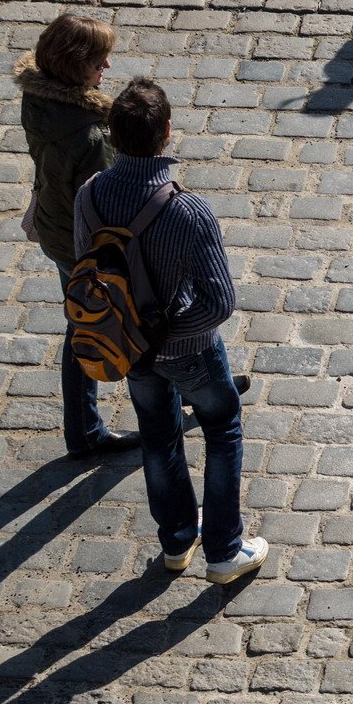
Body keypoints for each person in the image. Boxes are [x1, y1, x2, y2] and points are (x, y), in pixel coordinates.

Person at [81, 78, 267, 583]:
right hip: (191, 352)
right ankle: (225, 549)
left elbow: (89, 278)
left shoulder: (90, 196)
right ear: (166, 132)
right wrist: (170, 336)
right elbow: (219, 302)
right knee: (223, 431)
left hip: (130, 352)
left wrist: (140, 339)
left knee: (158, 439)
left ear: (113, 135)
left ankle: (178, 541)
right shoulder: (187, 210)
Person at [16, 13, 135, 459]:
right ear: (74, 65)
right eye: (99, 63)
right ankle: (86, 430)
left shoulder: (39, 97)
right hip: (84, 243)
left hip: (55, 225)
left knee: (81, 321)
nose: (107, 70)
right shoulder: (89, 134)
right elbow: (106, 203)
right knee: (110, 322)